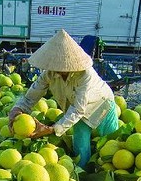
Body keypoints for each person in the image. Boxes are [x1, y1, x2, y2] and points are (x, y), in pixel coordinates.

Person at [8, 29, 117, 168]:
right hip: (76, 110)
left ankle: (110, 174)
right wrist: (17, 109)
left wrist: (52, 129)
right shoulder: (49, 74)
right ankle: (81, 177)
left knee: (112, 144)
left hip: (102, 104)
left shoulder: (85, 75)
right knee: (81, 149)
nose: (58, 69)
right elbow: (32, 95)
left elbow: (78, 109)